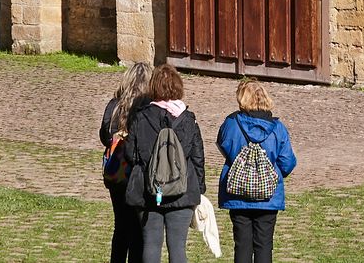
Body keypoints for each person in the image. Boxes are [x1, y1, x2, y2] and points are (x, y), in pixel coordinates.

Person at [123, 63, 206, 263]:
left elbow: (130, 154)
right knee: (178, 248)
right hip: (182, 190)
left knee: (151, 245)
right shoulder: (188, 119)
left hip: (149, 191)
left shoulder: (141, 117)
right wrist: (199, 188)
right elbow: (197, 156)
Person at [215, 78, 297, 263]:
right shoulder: (277, 128)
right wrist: (271, 175)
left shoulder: (231, 124)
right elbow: (287, 162)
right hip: (268, 197)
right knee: (264, 245)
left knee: (242, 245)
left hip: (238, 194)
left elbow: (224, 146)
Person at [101, 61, 153, 263]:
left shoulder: (115, 105)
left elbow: (105, 135)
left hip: (117, 174)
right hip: (139, 174)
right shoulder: (149, 108)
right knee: (139, 229)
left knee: (120, 226)